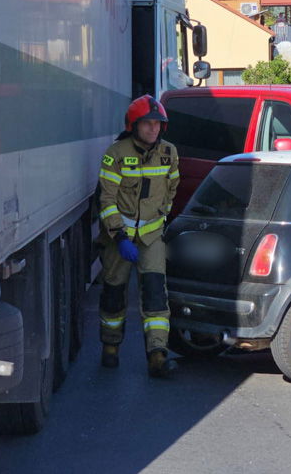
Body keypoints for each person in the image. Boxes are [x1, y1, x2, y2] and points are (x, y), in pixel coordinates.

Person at [97, 95, 180, 378]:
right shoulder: (116, 153)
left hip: (151, 237)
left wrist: (160, 220)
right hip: (118, 239)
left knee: (156, 295)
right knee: (113, 295)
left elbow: (171, 191)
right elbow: (106, 199)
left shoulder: (169, 152)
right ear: (134, 125)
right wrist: (119, 235)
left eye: (158, 124)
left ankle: (157, 355)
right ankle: (110, 347)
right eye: (147, 124)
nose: (153, 129)